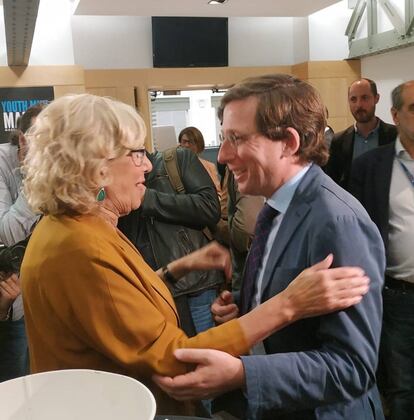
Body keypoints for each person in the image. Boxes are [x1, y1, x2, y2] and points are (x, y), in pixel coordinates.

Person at [21, 93, 370, 417]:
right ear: (98, 166)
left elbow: (115, 305)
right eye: (137, 153)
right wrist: (287, 304)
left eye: (238, 138)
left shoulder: (78, 228)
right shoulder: (80, 245)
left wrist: (176, 269)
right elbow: (174, 357)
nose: (146, 166)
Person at [153, 74, 386, 420]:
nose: (224, 156)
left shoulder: (337, 222)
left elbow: (352, 367)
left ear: (289, 142)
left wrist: (242, 374)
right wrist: (247, 311)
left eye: (237, 139)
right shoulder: (275, 205)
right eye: (223, 139)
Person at [349, 80, 414, 420]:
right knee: (402, 389)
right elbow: (359, 235)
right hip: (399, 296)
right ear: (395, 114)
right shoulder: (371, 167)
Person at [118, 146, 223, 336]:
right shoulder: (115, 182)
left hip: (194, 285)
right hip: (151, 289)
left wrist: (148, 198)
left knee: (208, 354)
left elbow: (209, 208)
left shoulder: (176, 159)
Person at [0, 103, 44, 382]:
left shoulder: (63, 162)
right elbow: (7, 233)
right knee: (17, 383)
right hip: (15, 299)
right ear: (23, 139)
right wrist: (31, 173)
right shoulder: (3, 163)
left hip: (51, 295)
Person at [325, 78, 397, 188]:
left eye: (365, 98)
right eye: (353, 99)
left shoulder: (395, 136)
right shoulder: (338, 141)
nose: (359, 105)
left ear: (376, 98)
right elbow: (332, 181)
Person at [178, 126, 221, 196]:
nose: (187, 145)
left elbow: (217, 192)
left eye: (191, 142)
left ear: (199, 144)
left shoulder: (209, 166)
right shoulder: (174, 166)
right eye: (184, 142)